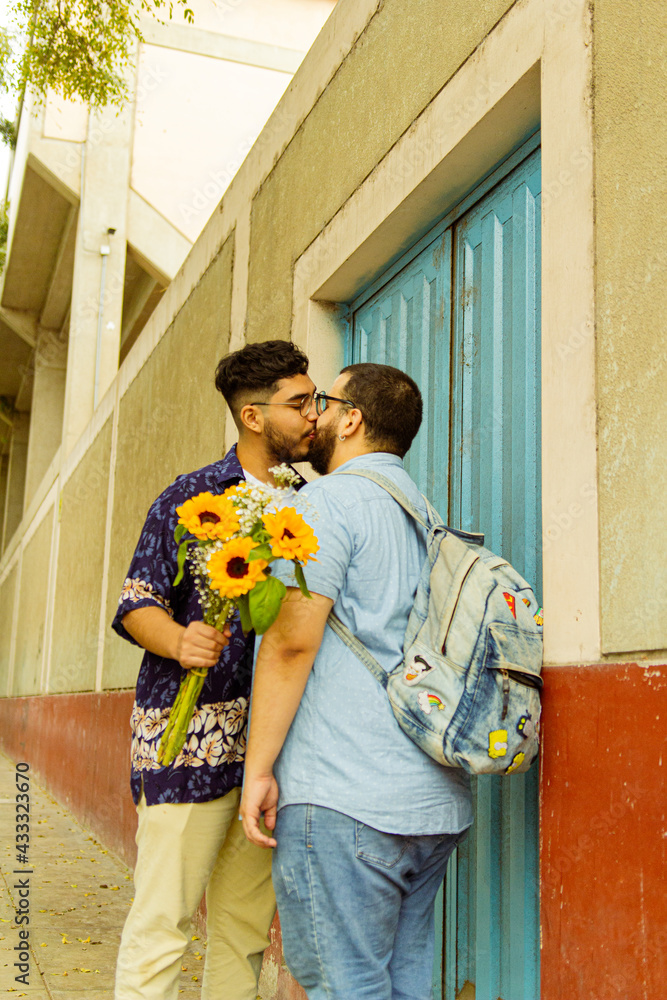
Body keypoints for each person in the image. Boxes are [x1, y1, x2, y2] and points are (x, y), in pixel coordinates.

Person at [241, 362, 473, 1000]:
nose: (312, 414)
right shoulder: (428, 519)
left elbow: (290, 643)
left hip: (346, 798)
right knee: (400, 985)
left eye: (324, 401)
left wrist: (257, 769)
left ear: (353, 419)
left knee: (345, 987)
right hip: (432, 802)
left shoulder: (321, 504)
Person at [113, 340, 317, 1000]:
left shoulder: (312, 503)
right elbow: (135, 602)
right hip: (185, 747)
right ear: (254, 416)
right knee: (163, 922)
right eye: (300, 402)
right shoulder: (190, 495)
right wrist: (179, 640)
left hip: (271, 754)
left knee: (242, 928)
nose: (315, 414)